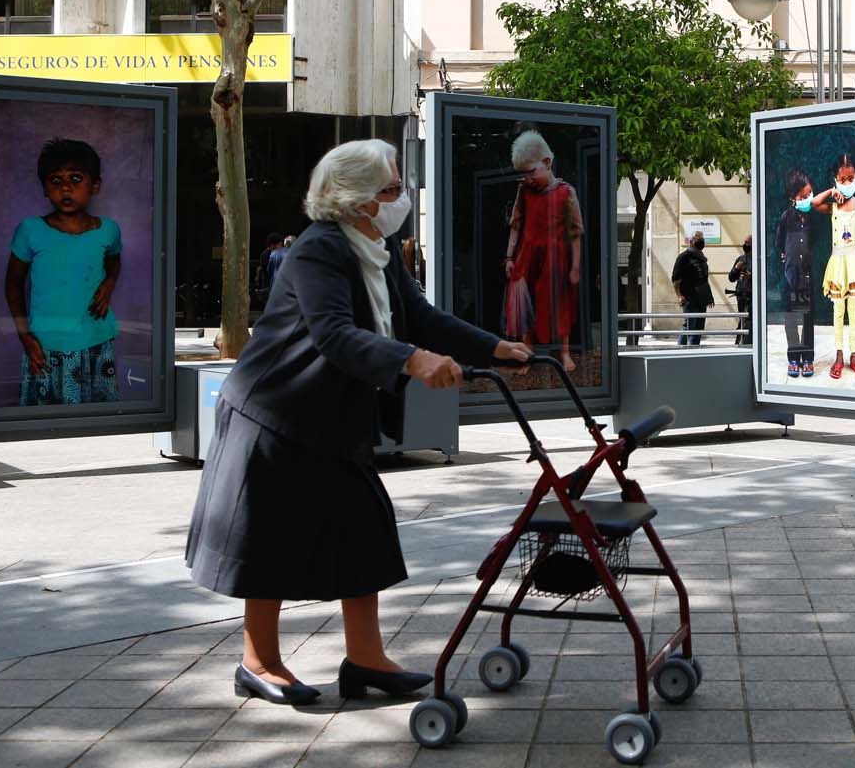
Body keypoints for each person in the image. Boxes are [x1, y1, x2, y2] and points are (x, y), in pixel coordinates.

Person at [185, 139, 531, 706]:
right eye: (391, 190)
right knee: (269, 538)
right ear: (354, 198)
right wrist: (412, 360)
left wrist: (494, 346)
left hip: (329, 415)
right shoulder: (319, 250)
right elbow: (333, 334)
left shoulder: (377, 245)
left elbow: (417, 315)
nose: (400, 199)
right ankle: (258, 661)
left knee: (363, 525)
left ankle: (366, 658)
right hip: (274, 412)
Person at [4, 137, 121, 406]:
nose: (65, 188)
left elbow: (114, 260)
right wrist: (26, 337)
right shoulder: (30, 231)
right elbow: (13, 284)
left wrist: (109, 284)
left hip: (95, 341)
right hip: (45, 345)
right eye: (56, 181)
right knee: (46, 428)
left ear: (95, 185)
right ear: (45, 189)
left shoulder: (108, 230)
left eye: (76, 179)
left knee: (97, 425)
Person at [502, 130, 584, 372]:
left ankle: (565, 352)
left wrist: (575, 266)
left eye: (531, 172)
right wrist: (509, 256)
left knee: (559, 302)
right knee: (526, 305)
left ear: (547, 162)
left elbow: (575, 232)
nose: (527, 178)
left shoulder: (566, 192)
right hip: (527, 255)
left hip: (555, 256)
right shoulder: (524, 192)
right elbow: (515, 226)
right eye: (523, 174)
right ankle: (527, 354)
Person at [811, 154, 855, 380]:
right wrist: (831, 193)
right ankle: (839, 356)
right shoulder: (833, 206)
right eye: (844, 179)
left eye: (851, 178)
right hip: (838, 263)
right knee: (838, 312)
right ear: (836, 179)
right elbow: (813, 203)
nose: (848, 182)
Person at [776, 170, 815, 377]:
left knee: (808, 318)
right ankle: (793, 358)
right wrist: (787, 257)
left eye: (810, 194)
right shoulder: (786, 217)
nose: (808, 199)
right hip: (791, 276)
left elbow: (816, 240)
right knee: (790, 319)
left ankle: (807, 359)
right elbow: (779, 243)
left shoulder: (812, 217)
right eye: (803, 196)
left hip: (808, 276)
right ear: (793, 198)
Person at [670, 232, 712, 347]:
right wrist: (679, 296)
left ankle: (694, 351)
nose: (700, 241)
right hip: (689, 297)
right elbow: (675, 278)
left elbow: (704, 279)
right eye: (697, 239)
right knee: (689, 326)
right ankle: (680, 352)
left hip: (701, 298)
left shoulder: (702, 258)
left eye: (701, 239)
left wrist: (709, 297)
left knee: (698, 329)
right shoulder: (684, 257)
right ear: (691, 242)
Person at [728, 235, 753, 345]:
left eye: (748, 243)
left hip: (752, 295)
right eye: (745, 242)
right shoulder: (740, 259)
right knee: (742, 320)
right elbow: (731, 278)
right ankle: (739, 343)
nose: (745, 245)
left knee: (750, 321)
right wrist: (736, 269)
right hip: (741, 295)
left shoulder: (758, 259)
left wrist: (751, 276)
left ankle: (747, 342)